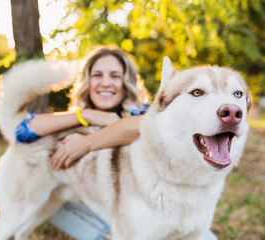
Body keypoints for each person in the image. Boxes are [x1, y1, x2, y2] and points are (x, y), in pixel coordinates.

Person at [15, 47, 218, 240]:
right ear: (87, 81)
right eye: (97, 75)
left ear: (126, 82)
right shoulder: (77, 118)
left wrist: (86, 143)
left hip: (141, 208)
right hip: (82, 206)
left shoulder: (143, 112)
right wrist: (84, 115)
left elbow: (145, 125)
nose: (105, 83)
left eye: (114, 76)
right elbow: (24, 131)